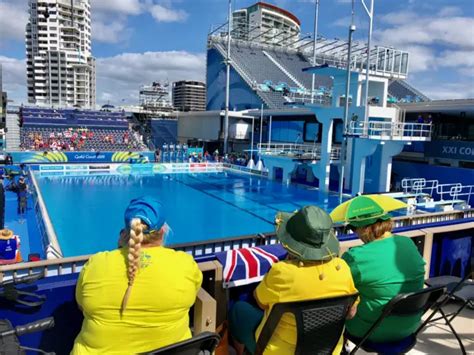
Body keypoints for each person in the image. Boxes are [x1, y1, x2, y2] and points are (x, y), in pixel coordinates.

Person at [72, 197, 203, 354]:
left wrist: (121, 247)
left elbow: (81, 306)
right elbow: (191, 296)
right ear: (163, 231)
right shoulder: (185, 265)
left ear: (127, 232)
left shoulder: (96, 264)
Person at [229, 206, 358, 355]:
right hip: (328, 350)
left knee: (239, 310)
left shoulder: (283, 271)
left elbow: (260, 302)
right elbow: (351, 313)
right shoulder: (342, 268)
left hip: (279, 351)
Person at [341, 197, 425, 343]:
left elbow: (338, 290)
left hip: (370, 330)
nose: (355, 233)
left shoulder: (355, 256)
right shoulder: (407, 243)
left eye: (354, 228)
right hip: (410, 326)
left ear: (365, 228)